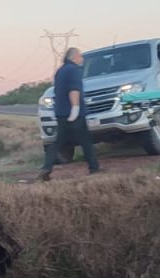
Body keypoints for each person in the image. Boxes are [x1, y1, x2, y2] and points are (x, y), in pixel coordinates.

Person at [38, 47, 102, 181]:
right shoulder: (74, 70)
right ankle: (94, 168)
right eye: (80, 56)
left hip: (60, 112)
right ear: (74, 57)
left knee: (58, 142)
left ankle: (46, 167)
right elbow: (74, 90)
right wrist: (75, 108)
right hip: (74, 113)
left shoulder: (60, 71)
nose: (82, 59)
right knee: (85, 141)